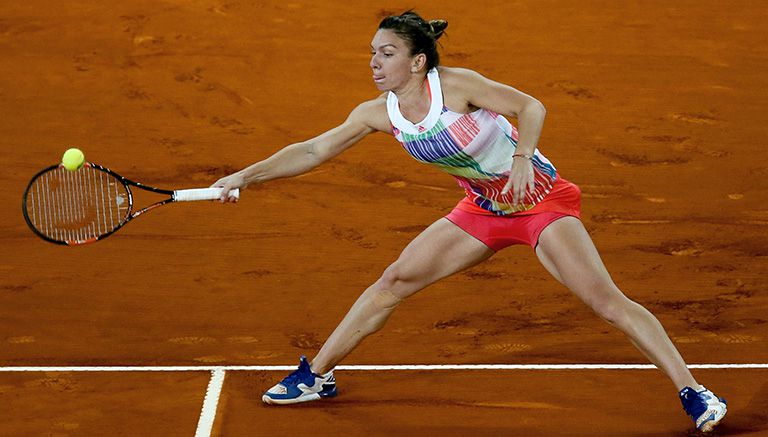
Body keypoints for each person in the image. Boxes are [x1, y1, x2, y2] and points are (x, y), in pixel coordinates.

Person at [211, 11, 727, 433]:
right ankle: (316, 376)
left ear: (417, 62)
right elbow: (313, 149)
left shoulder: (457, 86)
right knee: (392, 281)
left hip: (539, 201)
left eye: (386, 53)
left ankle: (694, 391)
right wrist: (245, 176)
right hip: (481, 209)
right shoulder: (379, 113)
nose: (374, 62)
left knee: (605, 301)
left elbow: (531, 106)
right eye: (372, 52)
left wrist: (523, 158)